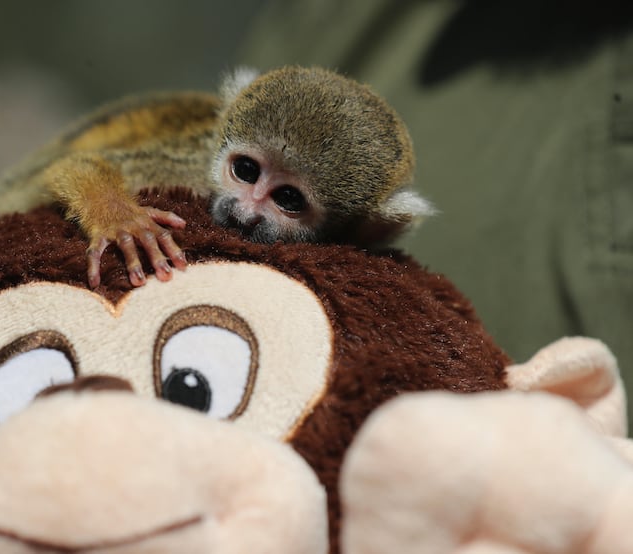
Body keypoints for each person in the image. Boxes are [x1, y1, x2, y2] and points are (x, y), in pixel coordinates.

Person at [236, 0, 633, 421]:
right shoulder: (347, 25)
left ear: (378, 229)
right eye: (244, 171)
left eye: (289, 199)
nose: (247, 208)